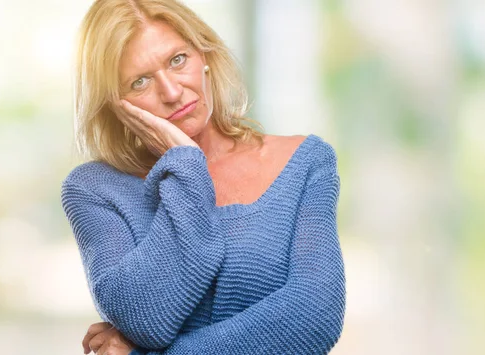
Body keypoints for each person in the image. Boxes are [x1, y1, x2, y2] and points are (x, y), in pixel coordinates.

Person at [60, 0, 346, 354]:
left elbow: (314, 317)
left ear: (204, 55)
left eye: (177, 60)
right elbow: (145, 319)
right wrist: (186, 166)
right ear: (115, 105)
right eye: (140, 82)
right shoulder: (94, 190)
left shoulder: (304, 162)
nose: (171, 92)